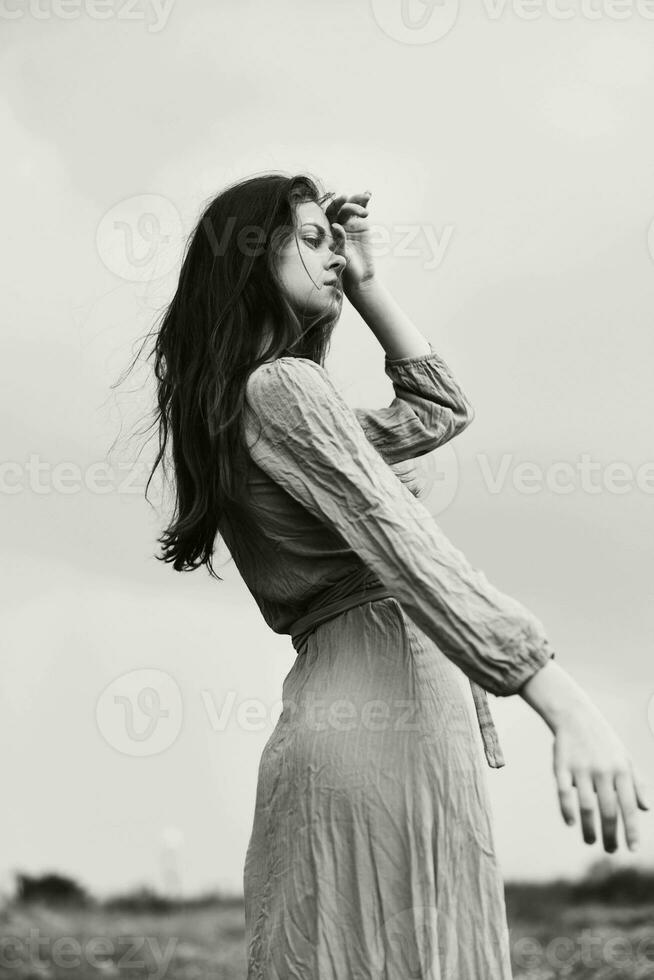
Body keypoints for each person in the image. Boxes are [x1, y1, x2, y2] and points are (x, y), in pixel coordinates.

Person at [143, 171, 650, 978]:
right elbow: (404, 540)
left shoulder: (254, 404)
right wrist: (556, 692)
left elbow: (438, 409)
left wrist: (369, 282)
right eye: (312, 240)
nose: (334, 256)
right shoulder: (284, 389)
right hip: (385, 710)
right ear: (249, 260)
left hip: (342, 713)